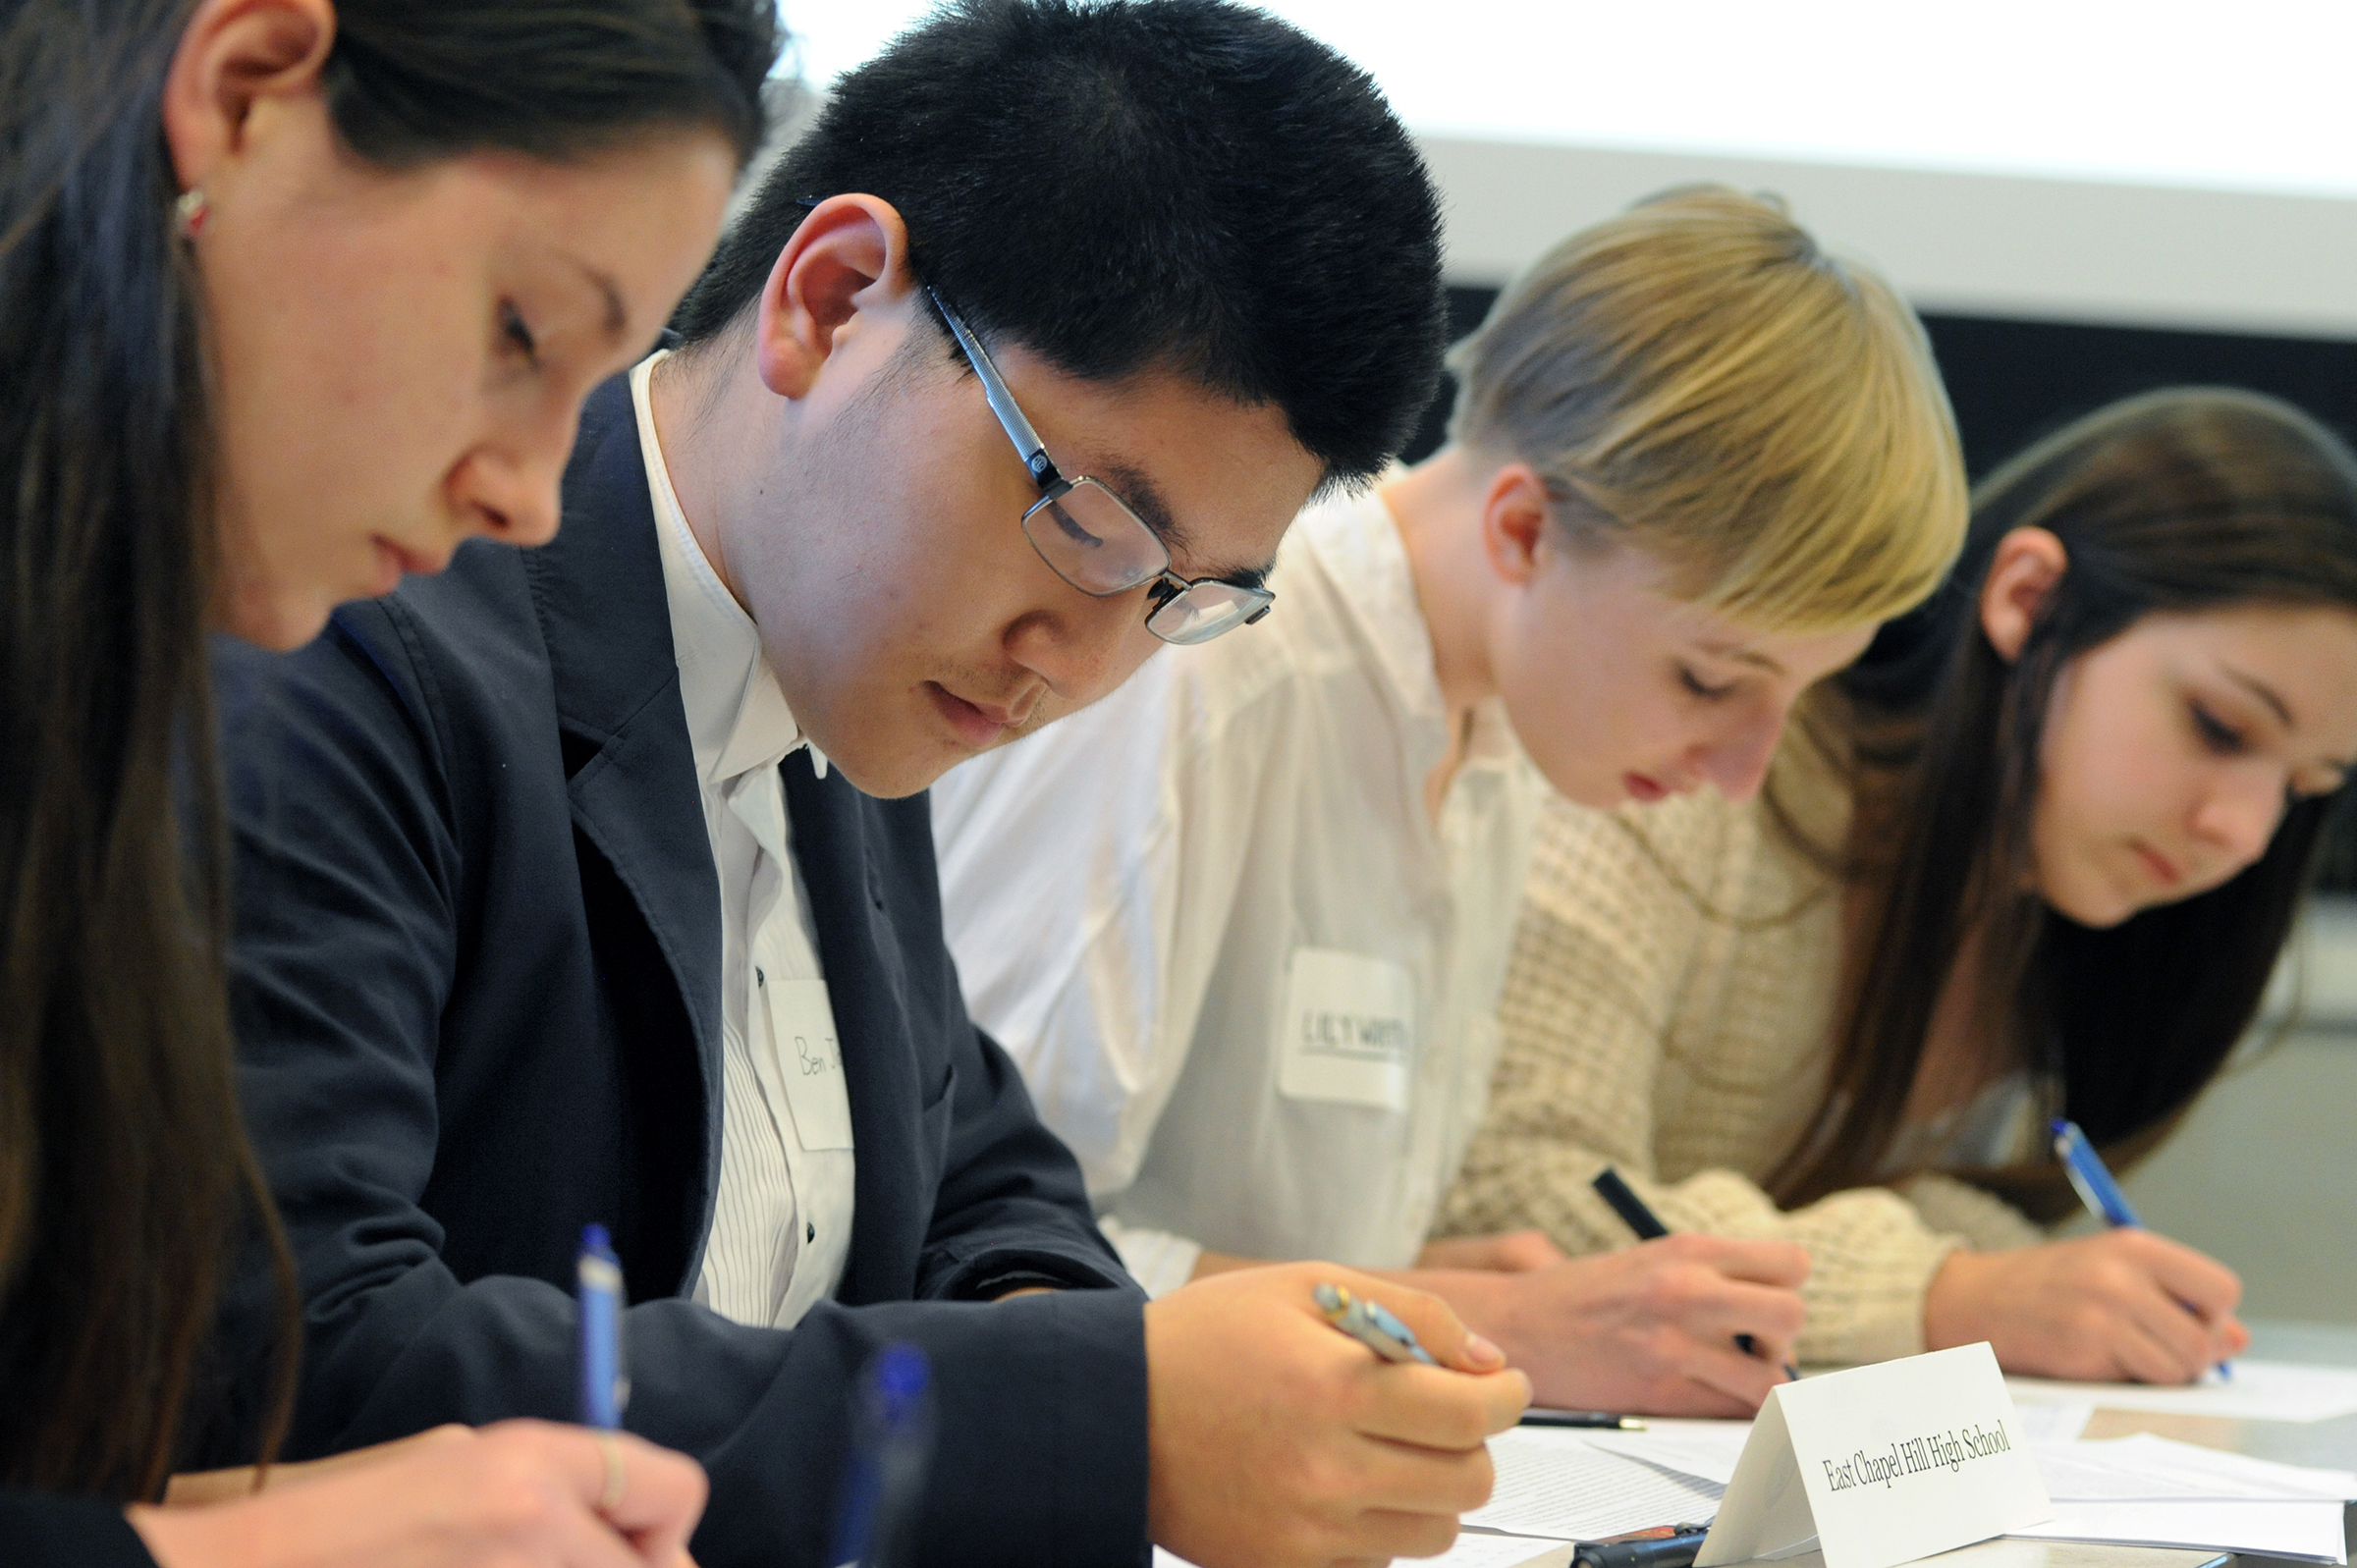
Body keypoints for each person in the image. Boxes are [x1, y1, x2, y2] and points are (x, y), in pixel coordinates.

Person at [207, 5, 1530, 1567]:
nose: (1081, 662)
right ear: (832, 301)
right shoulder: (348, 626)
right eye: (1092, 524)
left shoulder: (854, 666)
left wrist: (1097, 1350)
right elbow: (313, 1361)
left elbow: (986, 1180)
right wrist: (1101, 1417)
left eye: (1180, 596)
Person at [932, 187, 1970, 1417]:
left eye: (1797, 697)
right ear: (1526, 528)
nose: (1742, 772)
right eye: (1708, 678)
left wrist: (1412, 1285)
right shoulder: (1205, 663)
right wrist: (1483, 1318)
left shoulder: (1492, 734)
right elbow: (960, 1260)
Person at [0, 0, 778, 1563]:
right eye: (516, 333)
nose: (533, 496)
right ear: (247, 93)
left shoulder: (99, 719)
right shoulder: (311, 708)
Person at [1439, 387, 2357, 1383]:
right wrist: (1948, 1297)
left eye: (2306, 787)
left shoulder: (2060, 931)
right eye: (2219, 727)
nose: (2246, 831)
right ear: (2029, 599)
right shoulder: (1688, 768)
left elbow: (1892, 1205)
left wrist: (2032, 1285)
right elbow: (1503, 1188)